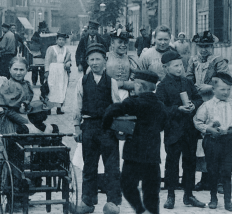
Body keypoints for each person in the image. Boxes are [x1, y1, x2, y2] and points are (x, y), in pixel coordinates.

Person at [102, 71, 168, 214]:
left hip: (133, 155)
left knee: (127, 185)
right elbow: (163, 125)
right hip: (153, 156)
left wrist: (107, 127)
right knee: (151, 191)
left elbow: (111, 110)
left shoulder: (132, 102)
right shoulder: (161, 106)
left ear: (139, 86)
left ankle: (139, 209)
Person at [73, 44, 122, 214]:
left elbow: (117, 106)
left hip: (108, 129)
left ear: (105, 61)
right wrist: (76, 128)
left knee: (112, 167)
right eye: (91, 59)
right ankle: (88, 200)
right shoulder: (82, 82)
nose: (95, 63)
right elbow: (77, 107)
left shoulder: (112, 82)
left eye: (98, 59)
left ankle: (113, 202)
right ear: (87, 61)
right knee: (89, 166)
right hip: (89, 127)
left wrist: (119, 127)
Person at [155, 50, 206, 209]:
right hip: (173, 131)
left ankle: (189, 195)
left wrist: (193, 105)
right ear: (166, 68)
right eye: (176, 66)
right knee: (172, 163)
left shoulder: (188, 82)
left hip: (189, 130)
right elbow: (161, 108)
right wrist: (178, 109)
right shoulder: (162, 86)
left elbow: (199, 98)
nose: (179, 68)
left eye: (181, 65)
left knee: (190, 162)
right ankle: (170, 195)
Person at [193, 72, 232, 211]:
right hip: (211, 142)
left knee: (227, 171)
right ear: (214, 89)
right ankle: (213, 199)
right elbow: (198, 122)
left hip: (227, 141)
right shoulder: (207, 105)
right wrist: (209, 129)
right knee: (212, 171)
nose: (226, 92)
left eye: (228, 89)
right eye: (222, 89)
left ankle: (228, 201)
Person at [187, 30, 229, 192]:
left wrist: (210, 86)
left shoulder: (219, 61)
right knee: (201, 142)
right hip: (199, 104)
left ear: (212, 46)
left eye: (207, 46)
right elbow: (188, 78)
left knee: (215, 139)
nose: (204, 50)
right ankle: (205, 178)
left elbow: (225, 80)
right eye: (201, 46)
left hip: (215, 102)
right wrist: (192, 88)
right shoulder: (193, 60)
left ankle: (218, 180)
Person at [0, 56, 34, 136]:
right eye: (15, 69)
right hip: (11, 121)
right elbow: (8, 110)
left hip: (24, 117)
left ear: (27, 70)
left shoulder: (26, 84)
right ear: (10, 69)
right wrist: (25, 122)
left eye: (21, 70)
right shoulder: (8, 85)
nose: (18, 73)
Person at [107, 27, 138, 99]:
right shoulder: (106, 58)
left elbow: (137, 82)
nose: (123, 45)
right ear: (112, 43)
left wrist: (123, 84)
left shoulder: (131, 59)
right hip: (107, 94)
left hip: (126, 95)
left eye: (125, 42)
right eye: (120, 42)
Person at [44, 32, 72, 114]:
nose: (61, 41)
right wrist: (46, 70)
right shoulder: (51, 48)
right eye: (59, 39)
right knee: (51, 88)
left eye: (63, 40)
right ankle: (49, 108)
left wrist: (68, 63)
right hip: (53, 70)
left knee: (61, 88)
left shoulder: (66, 50)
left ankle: (59, 108)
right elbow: (47, 60)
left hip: (62, 71)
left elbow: (69, 59)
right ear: (56, 40)